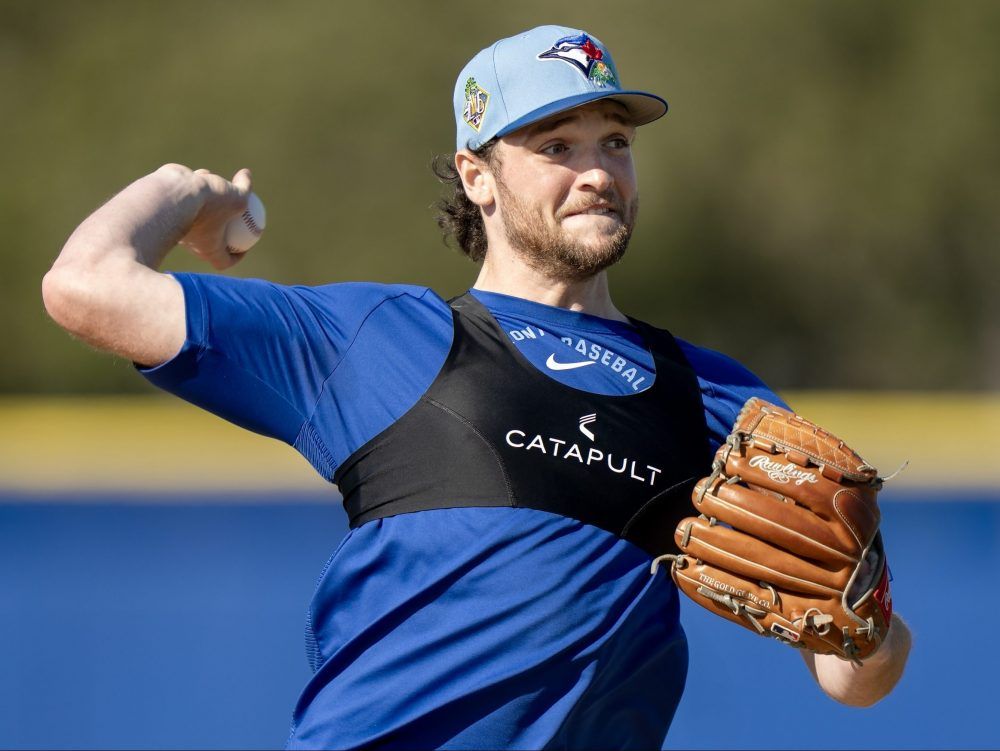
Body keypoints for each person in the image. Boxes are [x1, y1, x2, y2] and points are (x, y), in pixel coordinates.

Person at [43, 24, 910, 750]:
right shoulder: (379, 338)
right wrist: (183, 189)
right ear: (476, 176)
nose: (600, 171)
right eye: (556, 146)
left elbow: (852, 676)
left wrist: (865, 605)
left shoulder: (715, 397)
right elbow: (84, 287)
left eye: (615, 141)